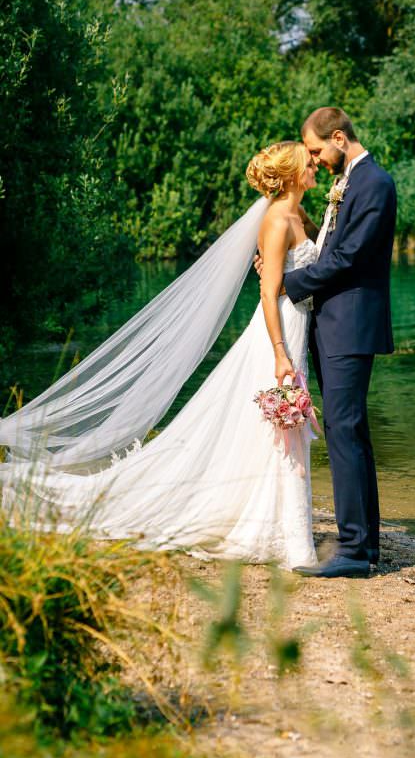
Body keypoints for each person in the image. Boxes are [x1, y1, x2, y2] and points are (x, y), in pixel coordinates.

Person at [0, 142, 320, 571]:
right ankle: (289, 537)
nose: (314, 166)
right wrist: (280, 353)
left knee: (275, 429)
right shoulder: (277, 219)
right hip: (278, 333)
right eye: (308, 161)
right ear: (291, 172)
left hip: (296, 324)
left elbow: (295, 274)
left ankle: (279, 523)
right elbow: (266, 291)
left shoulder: (299, 214)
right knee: (280, 426)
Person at [282, 107, 397, 579]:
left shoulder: (374, 184)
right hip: (335, 324)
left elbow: (349, 258)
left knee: (345, 431)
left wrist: (292, 284)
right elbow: (333, 245)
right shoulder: (350, 182)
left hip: (350, 326)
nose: (314, 160)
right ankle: (364, 544)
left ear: (338, 138)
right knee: (349, 432)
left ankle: (354, 550)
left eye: (315, 151)